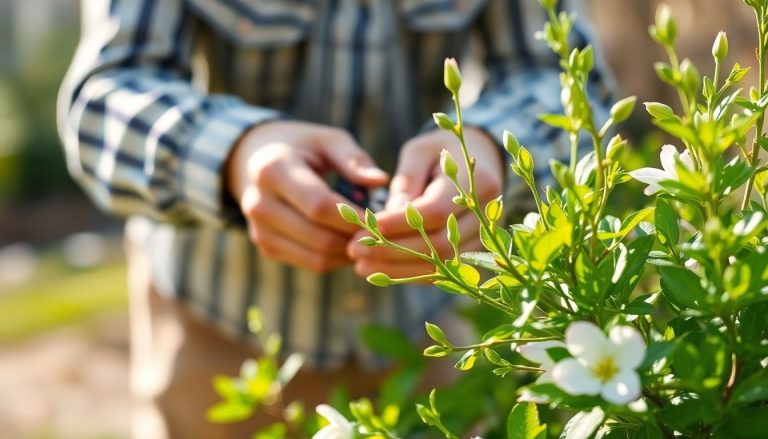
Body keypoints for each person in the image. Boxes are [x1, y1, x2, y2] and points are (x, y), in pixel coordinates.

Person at [58, 0, 610, 437]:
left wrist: (491, 149)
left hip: (427, 332)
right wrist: (233, 153)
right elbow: (105, 95)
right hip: (219, 339)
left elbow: (567, 75)